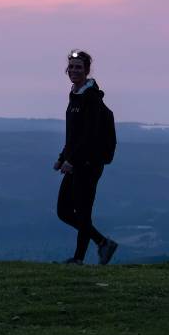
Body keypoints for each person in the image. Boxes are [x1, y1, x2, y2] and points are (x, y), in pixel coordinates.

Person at [53, 49, 119, 265]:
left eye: (78, 67)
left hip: (89, 163)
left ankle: (80, 258)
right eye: (71, 67)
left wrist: (71, 160)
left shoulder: (90, 98)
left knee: (81, 211)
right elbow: (73, 135)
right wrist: (63, 157)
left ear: (87, 70)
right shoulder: (76, 95)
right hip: (77, 161)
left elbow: (89, 135)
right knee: (65, 210)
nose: (74, 70)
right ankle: (102, 243)